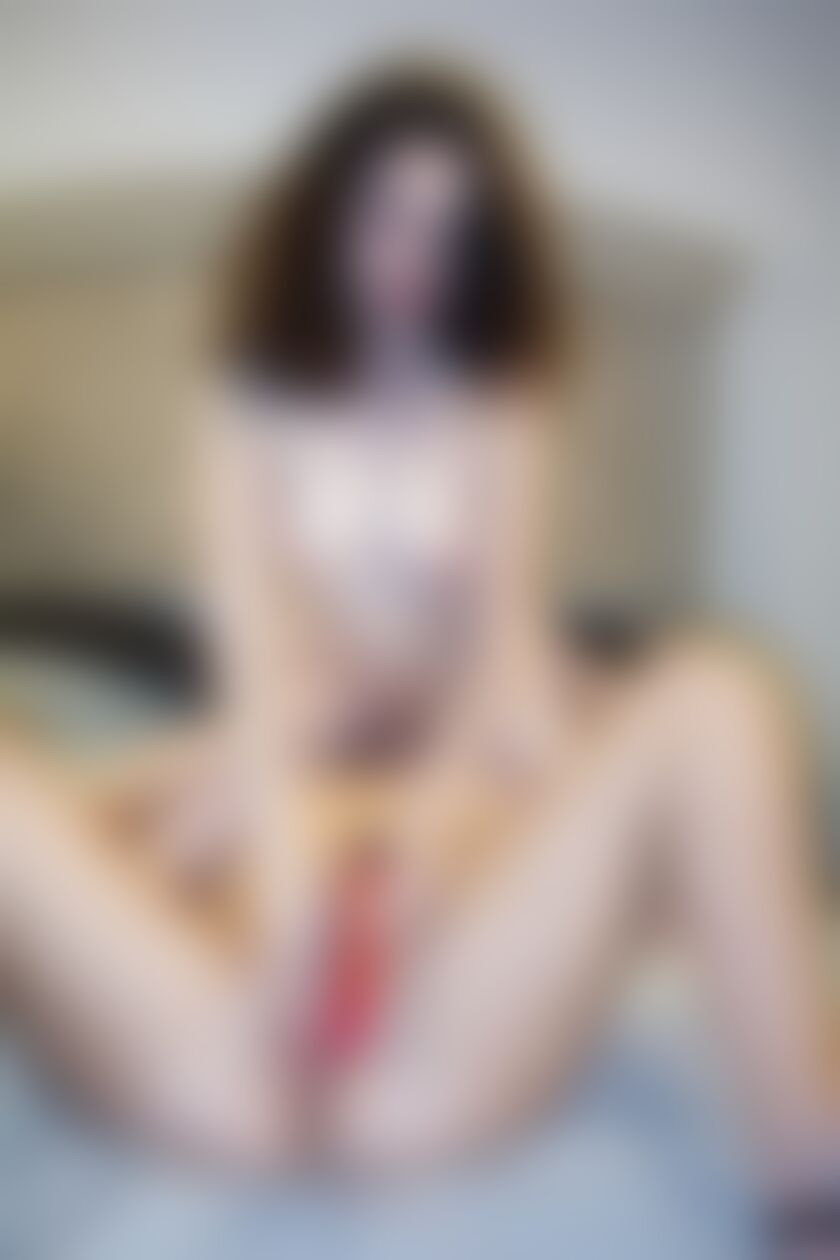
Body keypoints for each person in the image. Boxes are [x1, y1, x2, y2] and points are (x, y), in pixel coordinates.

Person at [0, 61, 835, 1240]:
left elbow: (502, 653)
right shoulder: (255, 396)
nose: (415, 254)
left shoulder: (497, 396)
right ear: (327, 216)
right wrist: (290, 883)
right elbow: (254, 672)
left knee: (717, 702)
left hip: (454, 778)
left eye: (449, 228)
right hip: (290, 767)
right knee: (151, 792)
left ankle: (813, 1177)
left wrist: (438, 847)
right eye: (387, 214)